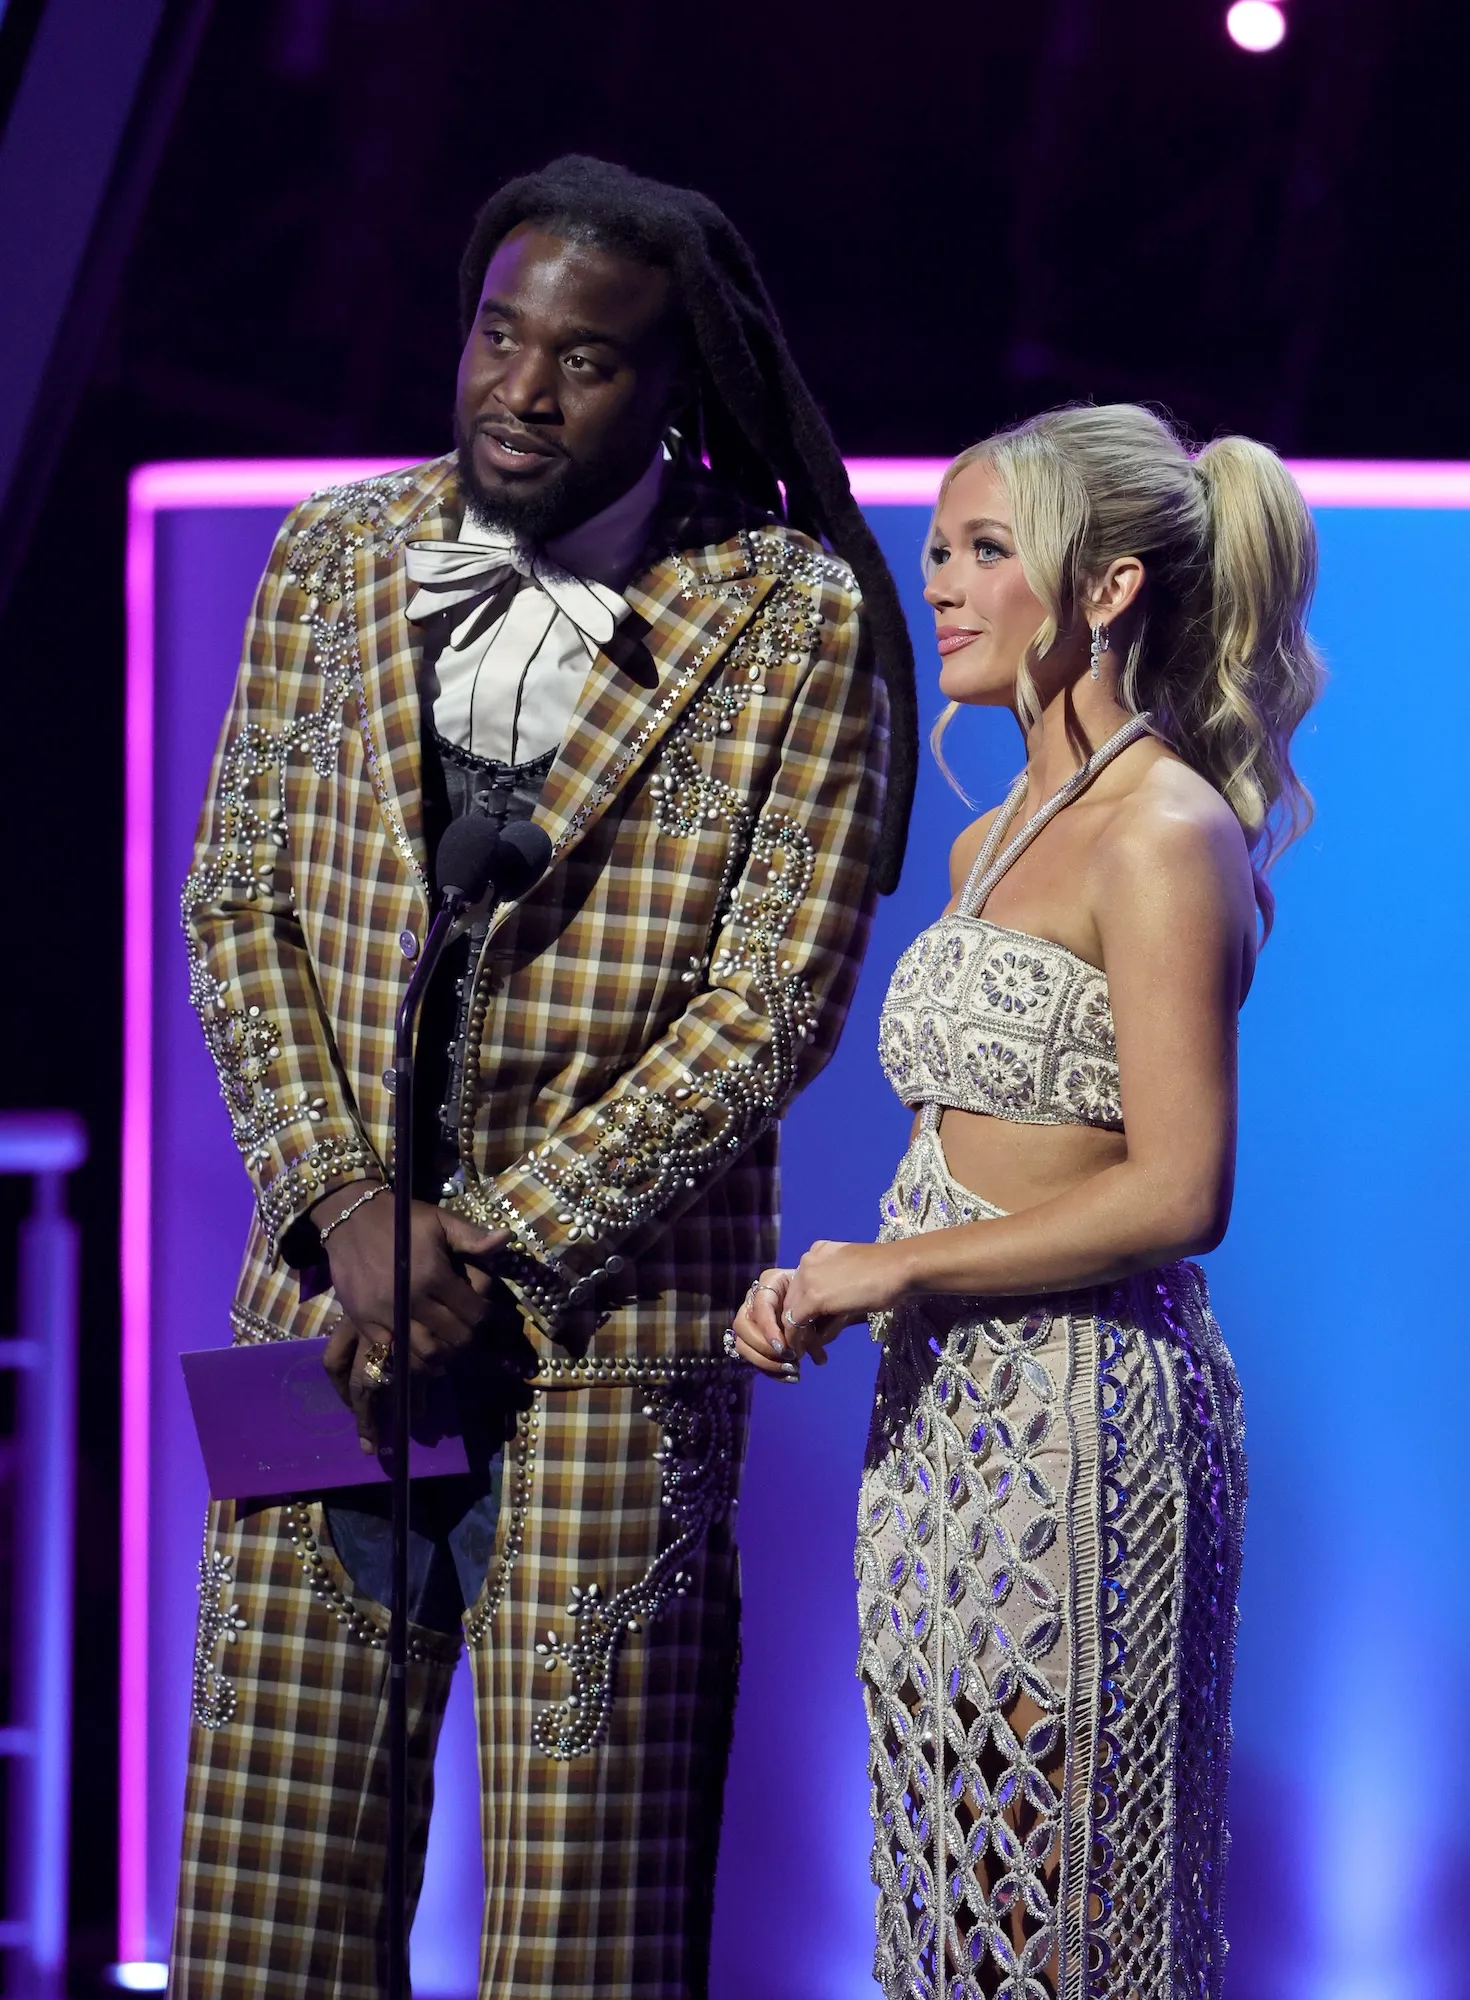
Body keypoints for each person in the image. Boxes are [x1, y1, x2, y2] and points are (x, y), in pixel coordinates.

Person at [170, 155, 916, 1999]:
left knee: (584, 1928)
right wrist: (347, 1211)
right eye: (500, 336)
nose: (521, 388)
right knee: (267, 1902)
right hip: (320, 1312)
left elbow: (768, 1008)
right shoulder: (332, 551)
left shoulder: (784, 615)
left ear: (675, 388)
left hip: (605, 1340)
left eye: (584, 360)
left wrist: (481, 1245)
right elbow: (232, 902)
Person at [733, 403, 1323, 1998]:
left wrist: (889, 1270)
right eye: (939, 549)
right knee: (953, 1889)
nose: (943, 584)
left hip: (1085, 1416)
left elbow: (1180, 1186)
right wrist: (829, 1278)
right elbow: (971, 1141)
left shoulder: (1164, 832)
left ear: (1106, 587)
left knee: (1066, 1903)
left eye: (987, 550)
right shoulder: (988, 839)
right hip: (942, 1429)